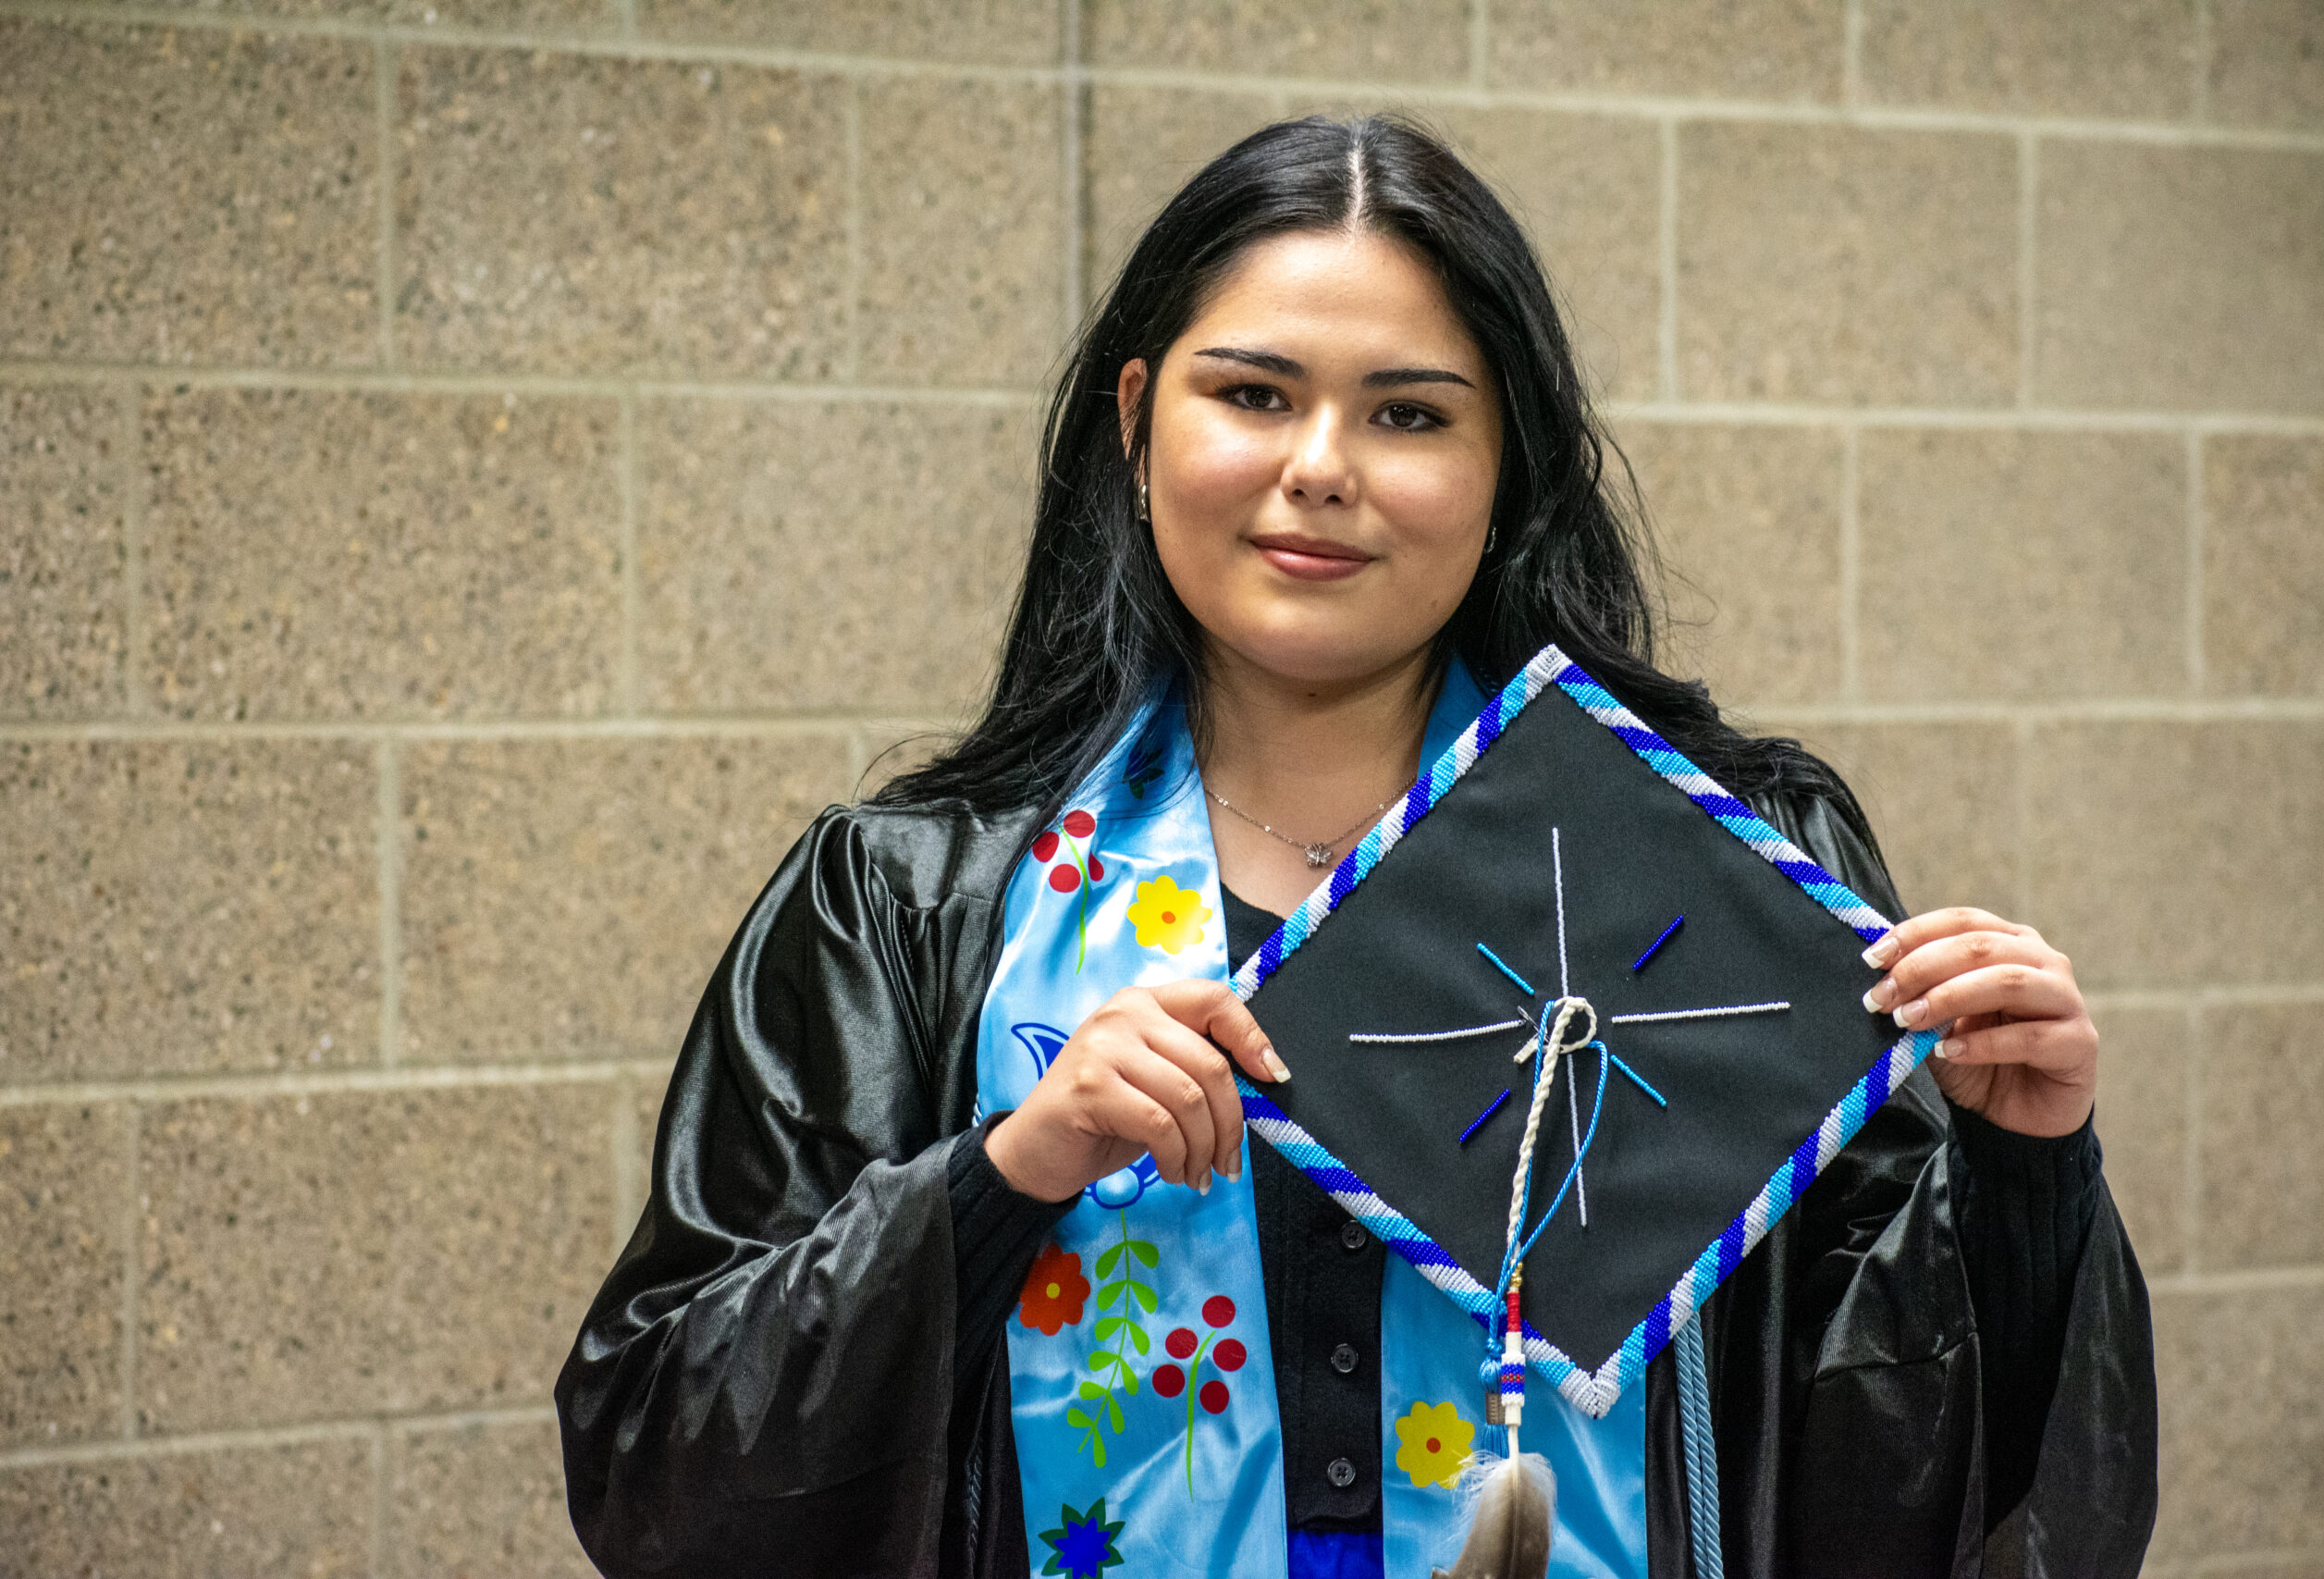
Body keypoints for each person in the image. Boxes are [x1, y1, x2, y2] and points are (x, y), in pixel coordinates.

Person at [554, 115, 2155, 1579]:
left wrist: (2022, 1162)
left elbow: (1926, 1477)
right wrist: (1004, 1173)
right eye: (1252, 394)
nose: (1319, 466)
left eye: (1407, 414)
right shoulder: (912, 905)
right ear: (1137, 416)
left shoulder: (1704, 869)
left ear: (1504, 460)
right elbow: (660, 1456)